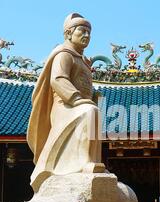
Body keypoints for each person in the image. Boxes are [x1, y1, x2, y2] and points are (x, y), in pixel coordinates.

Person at [27, 13, 104, 192]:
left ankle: (92, 161)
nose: (86, 36)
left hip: (79, 104)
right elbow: (58, 79)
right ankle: (83, 162)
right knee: (90, 112)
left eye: (89, 33)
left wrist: (92, 97)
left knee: (94, 111)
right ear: (69, 33)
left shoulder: (83, 61)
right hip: (64, 106)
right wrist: (77, 98)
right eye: (82, 31)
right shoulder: (64, 54)